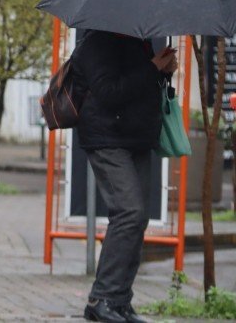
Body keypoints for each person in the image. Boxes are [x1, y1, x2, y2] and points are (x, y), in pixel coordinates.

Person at [72, 31, 178, 323]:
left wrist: (163, 73)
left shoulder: (136, 42)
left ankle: (119, 301)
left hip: (135, 138)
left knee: (137, 218)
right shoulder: (96, 43)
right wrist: (152, 67)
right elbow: (109, 93)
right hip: (106, 139)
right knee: (129, 212)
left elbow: (139, 88)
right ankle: (100, 298)